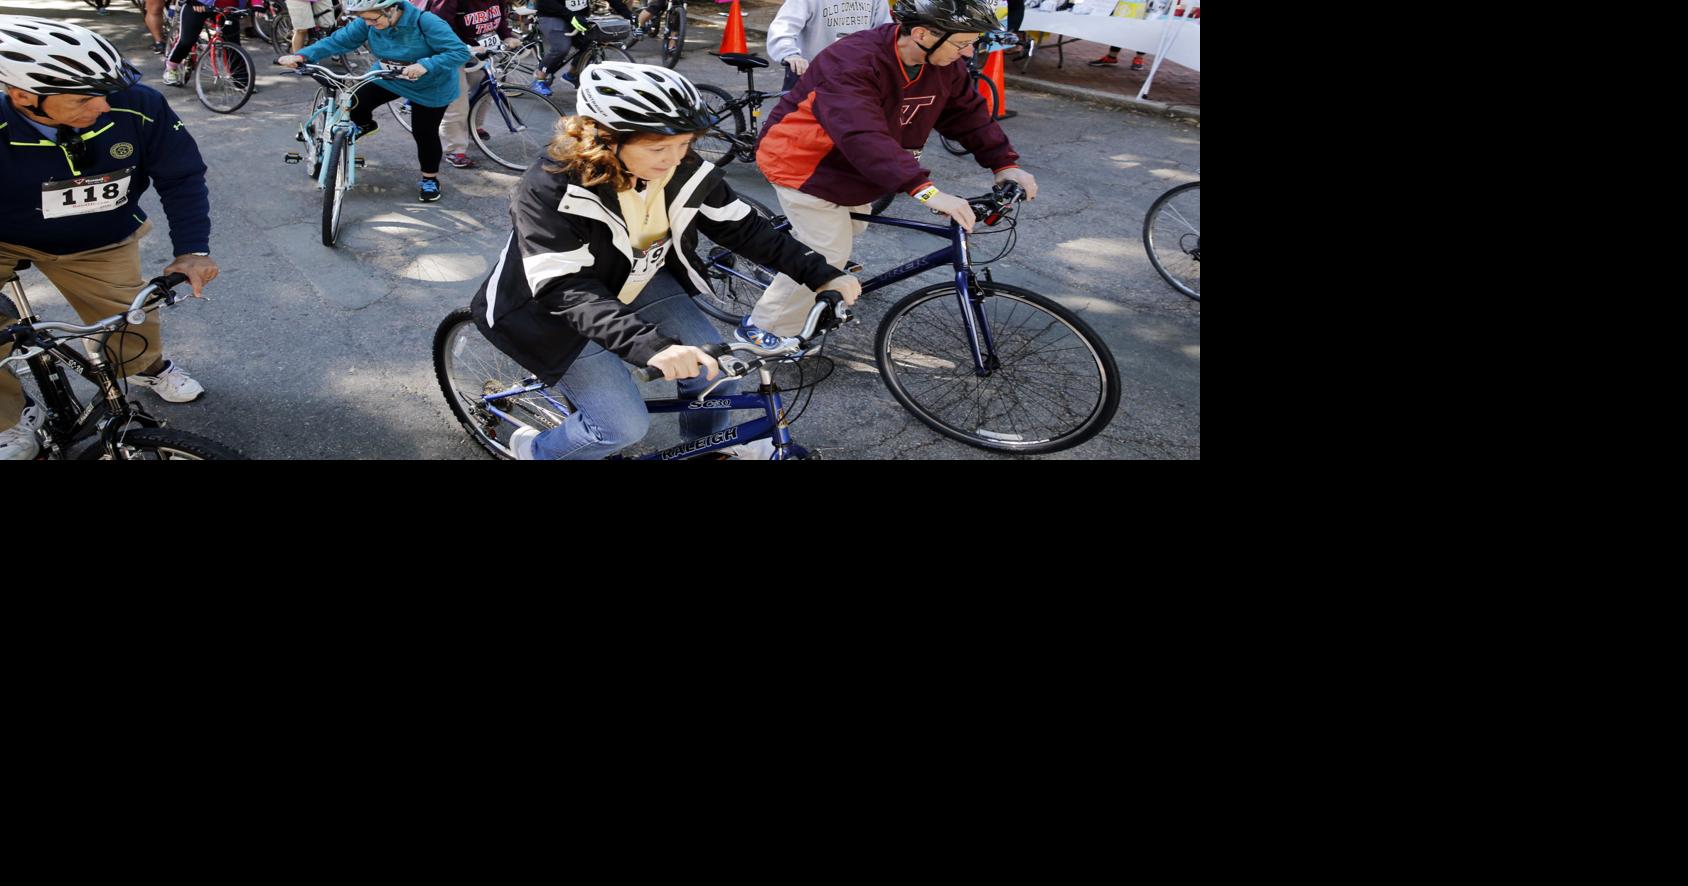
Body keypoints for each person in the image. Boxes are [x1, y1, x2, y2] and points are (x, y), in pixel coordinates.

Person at [468, 62, 861, 460]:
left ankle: (706, 451)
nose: (675, 159)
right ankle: (533, 451)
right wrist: (649, 346)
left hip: (634, 279)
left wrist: (820, 273)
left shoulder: (680, 167)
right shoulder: (549, 187)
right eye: (658, 148)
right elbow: (564, 287)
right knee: (620, 427)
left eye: (684, 144)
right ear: (604, 138)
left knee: (717, 372)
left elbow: (742, 228)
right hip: (547, 312)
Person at [744, 0, 1037, 344]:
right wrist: (926, 190)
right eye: (962, 43)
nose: (968, 53)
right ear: (923, 34)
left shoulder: (944, 63)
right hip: (804, 163)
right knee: (827, 253)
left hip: (856, 170)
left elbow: (966, 113)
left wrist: (1004, 163)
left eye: (972, 43)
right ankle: (766, 329)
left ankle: (809, 271)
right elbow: (862, 135)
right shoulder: (853, 59)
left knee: (852, 230)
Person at [1, 16, 217, 461]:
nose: (102, 106)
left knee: (132, 321)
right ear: (23, 97)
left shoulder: (138, 105)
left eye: (106, 92)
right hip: (5, 236)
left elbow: (182, 177)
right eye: (83, 99)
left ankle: (148, 369)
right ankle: (9, 418)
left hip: (99, 238)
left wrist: (192, 251)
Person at [279, 0, 471, 203]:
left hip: (430, 85)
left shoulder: (426, 22)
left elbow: (459, 52)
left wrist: (426, 65)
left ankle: (429, 179)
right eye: (364, 19)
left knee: (424, 132)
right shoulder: (367, 21)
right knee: (353, 102)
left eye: (372, 19)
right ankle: (365, 124)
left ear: (392, 9)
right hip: (388, 76)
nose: (368, 24)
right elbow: (338, 41)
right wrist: (302, 55)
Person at [411, 1, 523, 169]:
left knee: (487, 87)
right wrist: (464, 46)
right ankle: (454, 150)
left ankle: (473, 126)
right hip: (448, 50)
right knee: (457, 101)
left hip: (478, 47)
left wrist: (507, 35)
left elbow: (499, 18)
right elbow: (438, 26)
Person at [766, 0, 893, 92]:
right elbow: (783, 28)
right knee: (796, 125)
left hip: (857, 74)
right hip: (812, 73)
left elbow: (884, 31)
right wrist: (790, 54)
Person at [528, 0, 633, 97]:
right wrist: (570, 16)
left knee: (589, 43)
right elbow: (544, 2)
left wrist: (626, 13)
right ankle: (539, 78)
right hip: (552, 15)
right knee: (561, 47)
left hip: (577, 15)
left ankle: (572, 74)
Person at [163, 1, 250, 88]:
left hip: (228, 5)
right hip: (198, 4)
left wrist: (258, 4)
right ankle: (171, 68)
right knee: (187, 41)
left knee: (233, 43)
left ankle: (241, 80)